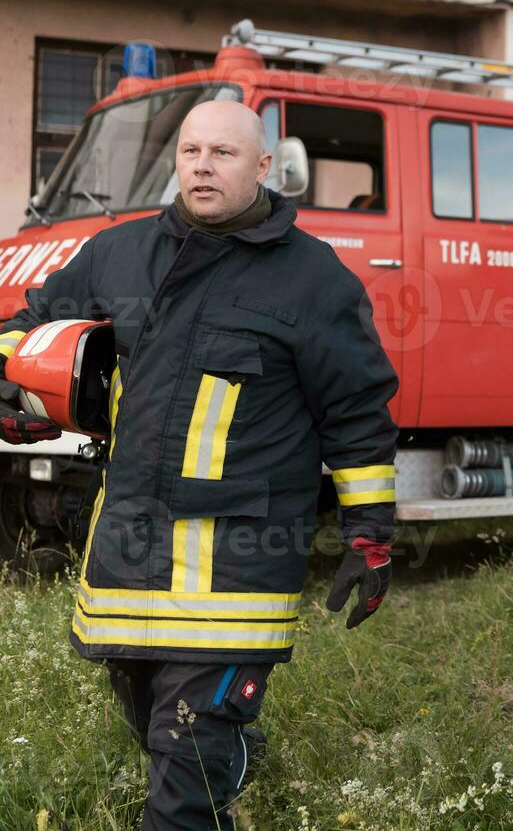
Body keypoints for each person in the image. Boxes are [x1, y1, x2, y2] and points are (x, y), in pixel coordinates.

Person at [0, 99, 399, 829]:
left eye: (222, 153)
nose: (203, 166)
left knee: (182, 778)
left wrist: (370, 531)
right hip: (125, 559)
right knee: (156, 730)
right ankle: (230, 758)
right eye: (190, 152)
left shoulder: (315, 281)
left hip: (237, 571)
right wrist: (16, 385)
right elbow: (29, 328)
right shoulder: (117, 253)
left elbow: (357, 414)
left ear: (262, 167)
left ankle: (214, 764)